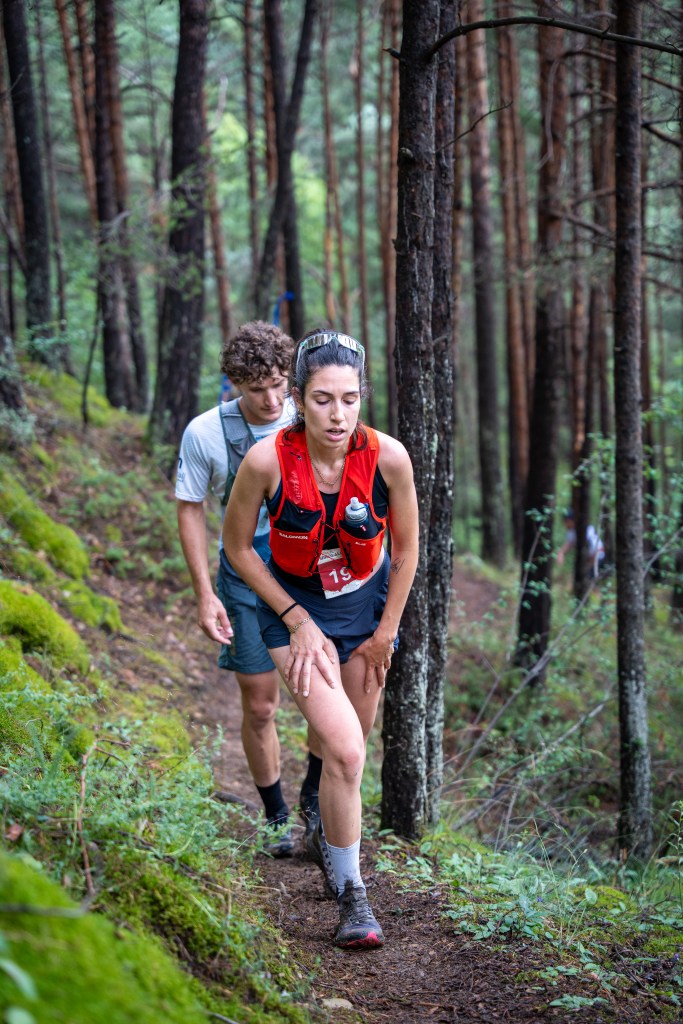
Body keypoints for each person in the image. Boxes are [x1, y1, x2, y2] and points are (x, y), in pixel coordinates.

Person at [222, 329, 419, 950]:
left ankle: (320, 821)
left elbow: (407, 550)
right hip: (292, 612)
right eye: (323, 399)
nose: (337, 415)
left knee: (347, 747)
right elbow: (236, 548)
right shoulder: (266, 461)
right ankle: (353, 894)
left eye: (350, 399)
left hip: (365, 612)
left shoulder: (389, 458)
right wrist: (295, 618)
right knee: (348, 751)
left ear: (363, 398)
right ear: (299, 399)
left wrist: (386, 632)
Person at [176, 320, 323, 858]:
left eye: (281, 385)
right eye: (257, 389)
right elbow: (190, 509)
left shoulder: (311, 420)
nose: (272, 400)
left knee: (321, 694)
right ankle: (276, 816)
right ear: (235, 383)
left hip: (309, 576)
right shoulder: (206, 433)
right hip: (242, 578)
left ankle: (314, 798)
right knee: (261, 705)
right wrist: (204, 593)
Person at [557, 509, 605, 579]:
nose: (565, 524)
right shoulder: (571, 532)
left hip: (598, 557)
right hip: (588, 559)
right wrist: (561, 553)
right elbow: (569, 544)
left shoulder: (587, 529)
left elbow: (595, 548)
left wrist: (589, 564)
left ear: (571, 520)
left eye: (566, 521)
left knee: (590, 579)